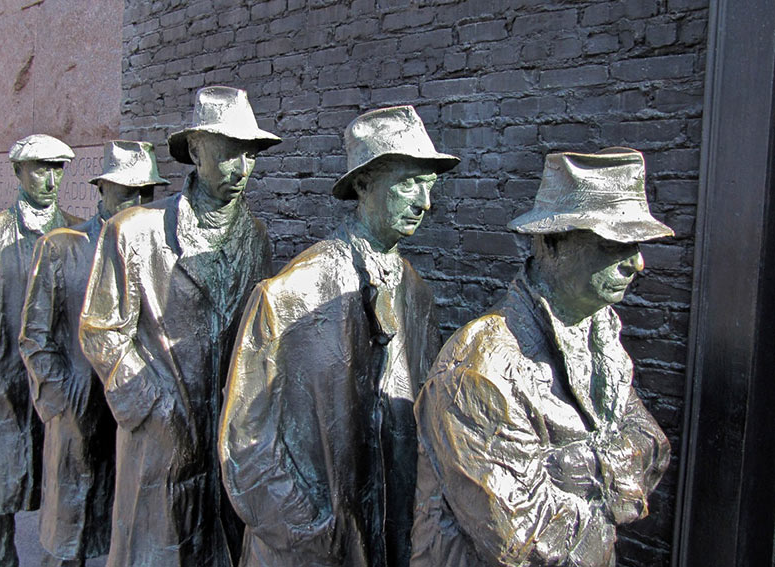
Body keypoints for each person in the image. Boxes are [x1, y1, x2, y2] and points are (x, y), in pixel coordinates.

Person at [220, 106, 459, 567]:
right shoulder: (292, 294)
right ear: (364, 183)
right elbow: (245, 441)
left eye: (430, 184)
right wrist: (308, 525)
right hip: (306, 545)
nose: (425, 202)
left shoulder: (415, 293)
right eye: (409, 181)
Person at [410, 148, 673, 567]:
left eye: (637, 244)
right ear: (552, 242)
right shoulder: (482, 367)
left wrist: (567, 468)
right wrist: (609, 478)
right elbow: (526, 540)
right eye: (615, 244)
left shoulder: (601, 335)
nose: (637, 263)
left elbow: (653, 448)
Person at [79, 87, 279, 567]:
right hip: (160, 437)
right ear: (194, 150)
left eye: (249, 154)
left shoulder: (257, 238)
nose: (241, 168)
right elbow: (101, 330)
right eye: (228, 152)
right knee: (157, 549)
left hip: (226, 437)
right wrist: (154, 407)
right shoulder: (133, 231)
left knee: (219, 547)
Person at [19, 140, 169, 567]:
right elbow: (34, 337)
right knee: (70, 528)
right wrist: (61, 403)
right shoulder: (61, 248)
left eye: (146, 193)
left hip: (132, 413)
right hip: (78, 409)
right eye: (125, 191)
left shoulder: (156, 253)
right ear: (101, 190)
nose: (136, 202)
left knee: (122, 525)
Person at [0, 134, 80, 567]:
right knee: (2, 465)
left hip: (54, 373)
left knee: (58, 465)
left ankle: (57, 548)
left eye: (57, 168)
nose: (49, 179)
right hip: (4, 369)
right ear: (17, 172)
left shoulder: (76, 233)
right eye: (39, 168)